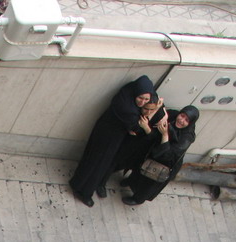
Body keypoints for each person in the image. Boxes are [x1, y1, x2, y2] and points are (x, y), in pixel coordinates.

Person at [69, 75, 158, 208]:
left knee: (95, 161)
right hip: (108, 137)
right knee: (97, 163)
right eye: (141, 98)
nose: (143, 102)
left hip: (108, 132)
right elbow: (136, 128)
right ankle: (83, 191)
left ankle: (83, 186)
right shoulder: (128, 109)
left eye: (146, 99)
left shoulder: (129, 91)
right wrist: (147, 121)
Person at [122, 105, 200, 206]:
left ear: (190, 123)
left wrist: (165, 135)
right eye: (182, 115)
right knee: (140, 168)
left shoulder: (187, 138)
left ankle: (138, 199)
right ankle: (131, 181)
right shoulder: (173, 115)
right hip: (154, 151)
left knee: (149, 182)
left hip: (166, 162)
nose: (181, 120)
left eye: (186, 120)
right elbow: (159, 115)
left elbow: (169, 155)